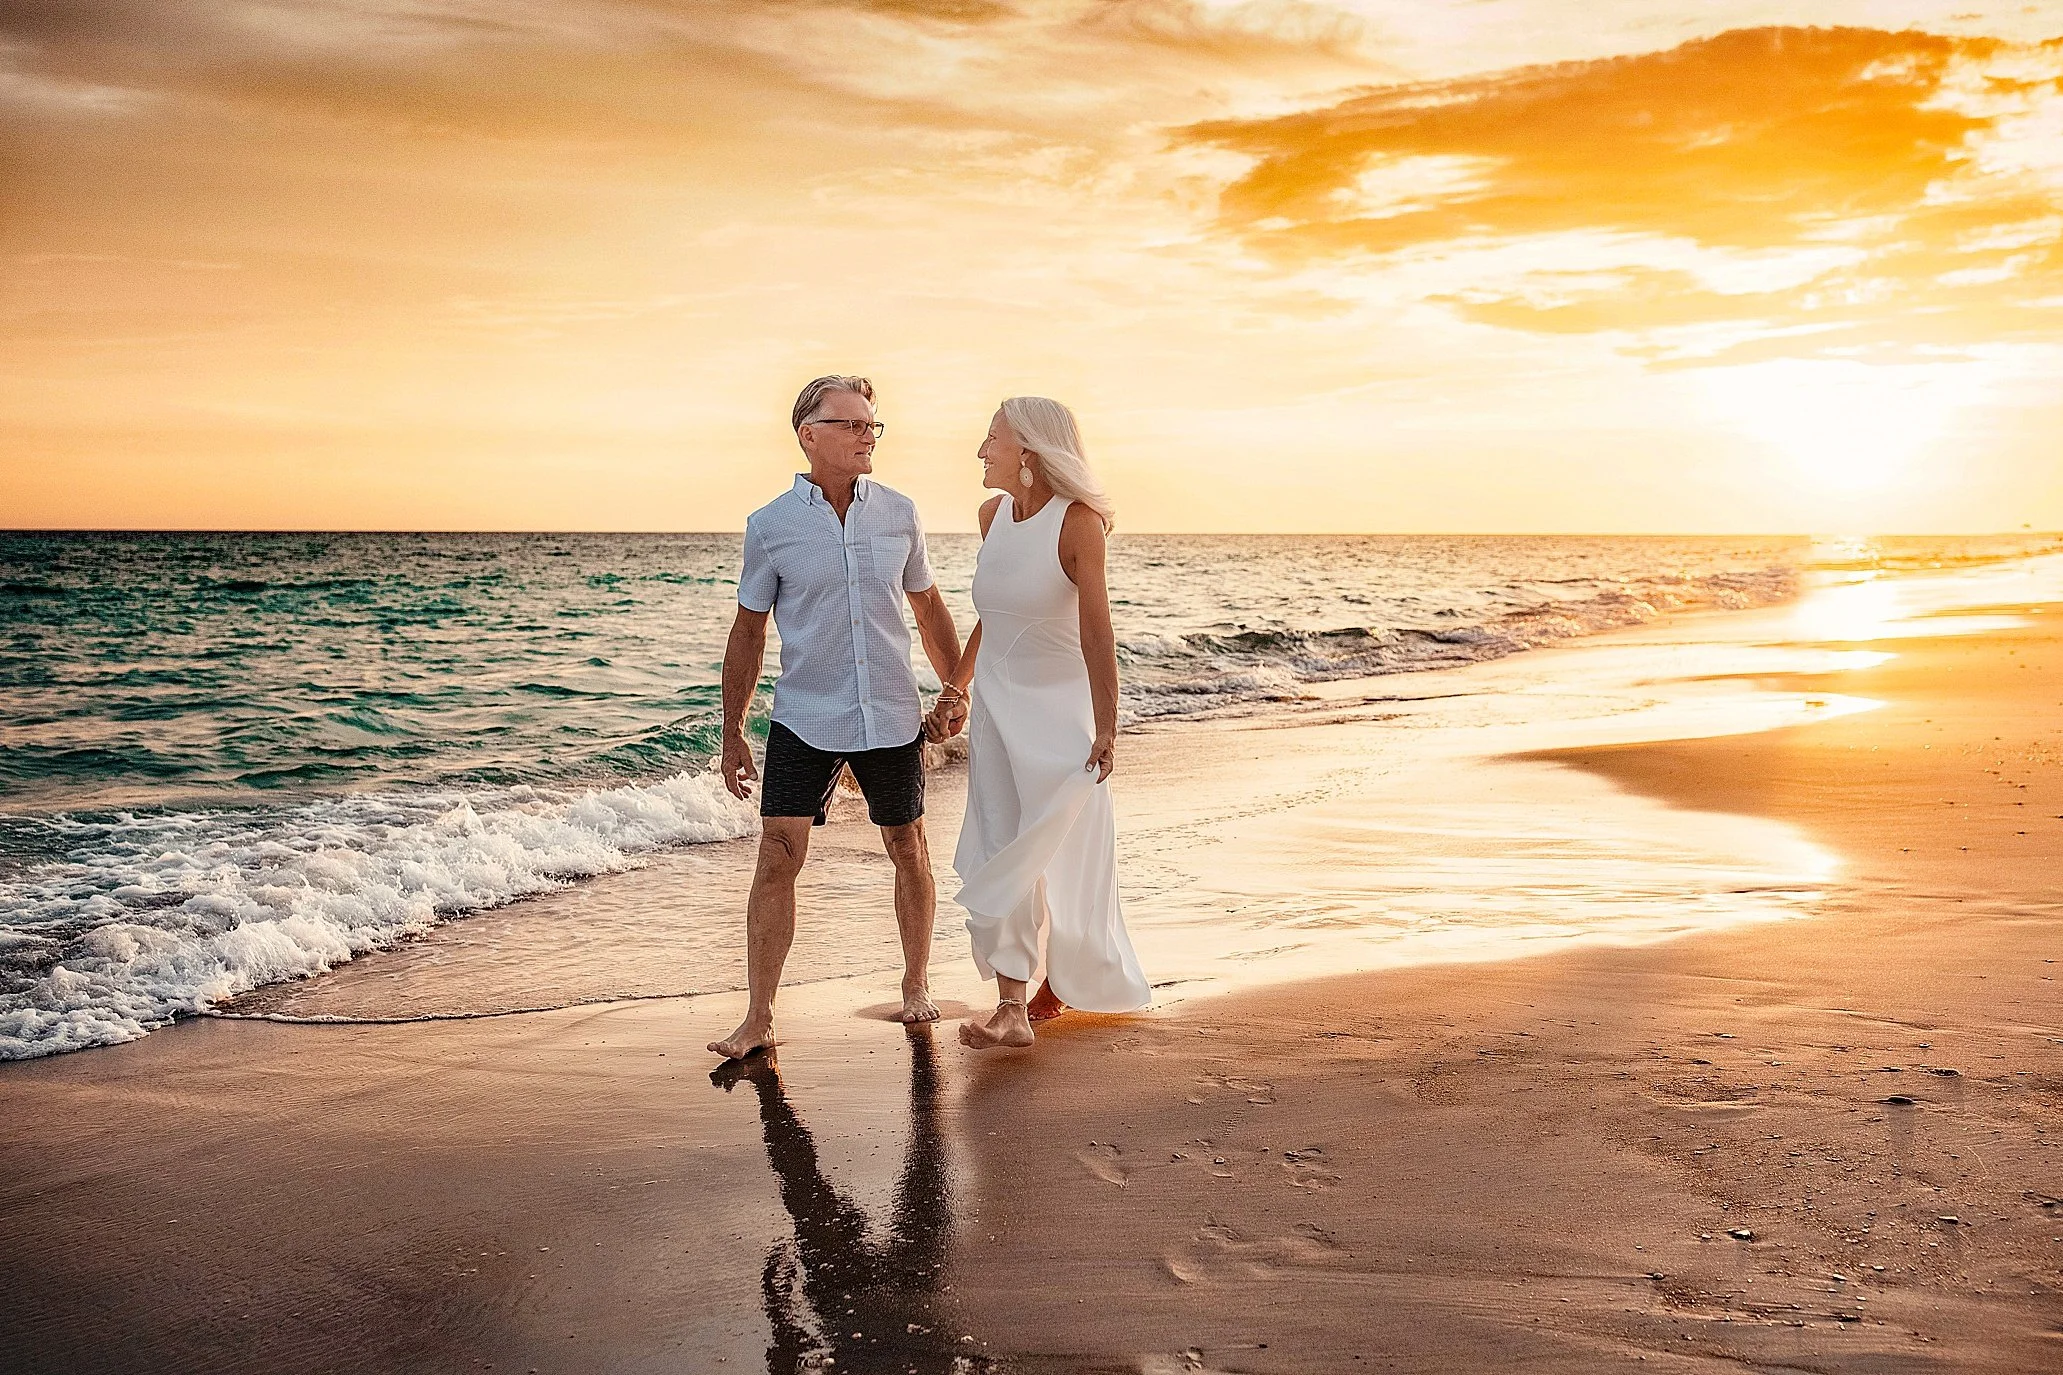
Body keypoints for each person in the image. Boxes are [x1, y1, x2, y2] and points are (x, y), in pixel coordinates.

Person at [707, 375, 963, 1062]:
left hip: (888, 712)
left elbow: (928, 608)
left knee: (908, 847)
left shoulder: (900, 513)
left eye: (871, 426)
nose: (864, 436)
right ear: (808, 434)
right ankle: (758, 1016)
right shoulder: (771, 526)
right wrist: (733, 728)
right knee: (777, 856)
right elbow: (749, 631)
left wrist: (954, 686)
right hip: (804, 716)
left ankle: (915, 982)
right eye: (850, 425)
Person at [925, 396, 1150, 1050]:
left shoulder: (1077, 523)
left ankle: (1061, 982)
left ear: (1027, 451)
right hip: (998, 708)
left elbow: (1096, 632)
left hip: (1058, 713)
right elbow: (995, 613)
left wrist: (1106, 727)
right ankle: (1010, 1006)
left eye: (990, 438)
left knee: (1058, 852)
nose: (979, 451)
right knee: (999, 841)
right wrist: (956, 688)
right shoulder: (991, 516)